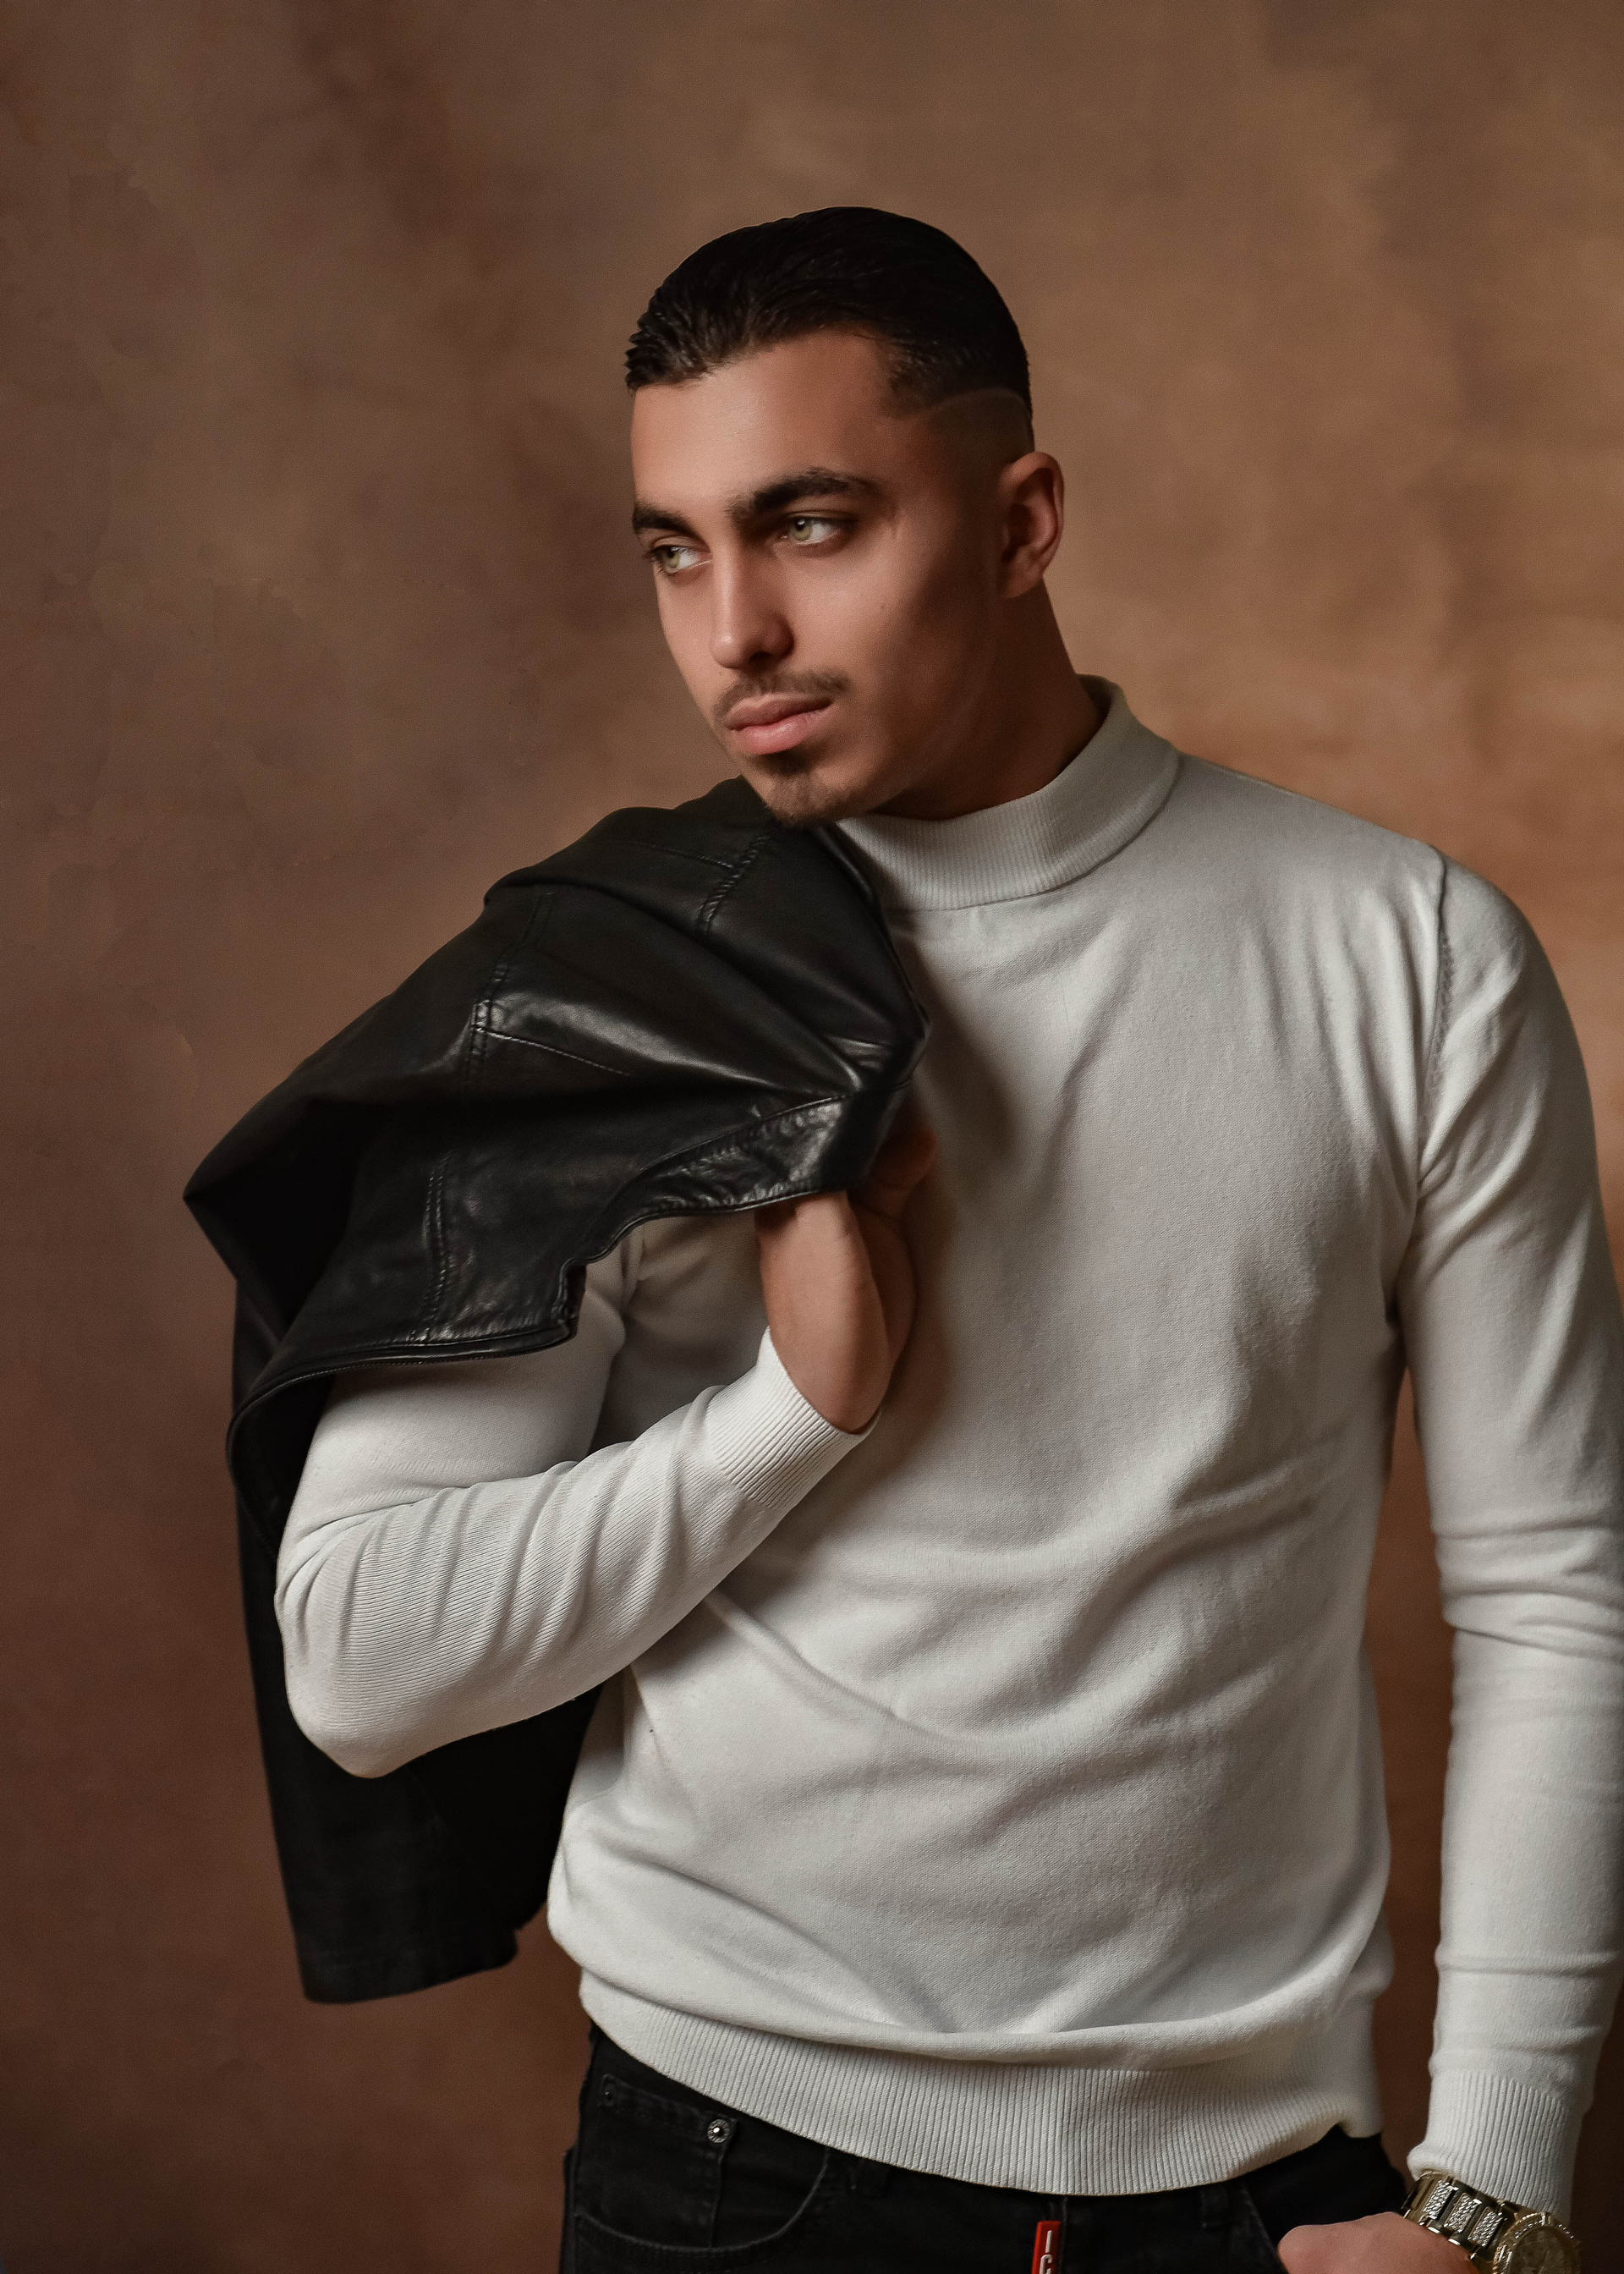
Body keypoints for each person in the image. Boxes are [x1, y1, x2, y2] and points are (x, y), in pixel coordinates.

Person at [272, 210, 1622, 2271]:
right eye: (673, 550)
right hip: (734, 2176)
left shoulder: (1407, 955)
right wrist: (793, 1412)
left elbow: (1553, 1591)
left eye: (810, 524)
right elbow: (364, 1660)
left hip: (1258, 2187)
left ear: (1020, 523)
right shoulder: (617, 993)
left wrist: (1498, 2186)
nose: (735, 631)